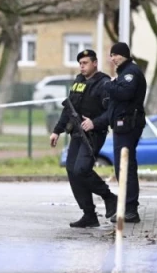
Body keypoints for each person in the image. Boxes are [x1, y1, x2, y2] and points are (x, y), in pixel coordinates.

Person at [49, 49, 118, 228]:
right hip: (77, 133)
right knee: (72, 170)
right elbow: (69, 108)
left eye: (85, 63)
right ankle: (89, 214)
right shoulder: (78, 81)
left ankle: (109, 197)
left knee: (81, 169)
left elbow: (111, 112)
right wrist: (57, 130)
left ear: (95, 63)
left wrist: (95, 123)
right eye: (80, 63)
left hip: (94, 134)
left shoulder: (103, 83)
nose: (82, 66)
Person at [103, 42, 147, 223]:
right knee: (123, 167)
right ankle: (125, 207)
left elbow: (125, 94)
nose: (112, 58)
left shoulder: (130, 73)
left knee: (126, 167)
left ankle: (130, 209)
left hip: (128, 125)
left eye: (115, 55)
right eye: (111, 55)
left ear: (124, 55)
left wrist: (109, 85)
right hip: (122, 125)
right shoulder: (123, 73)